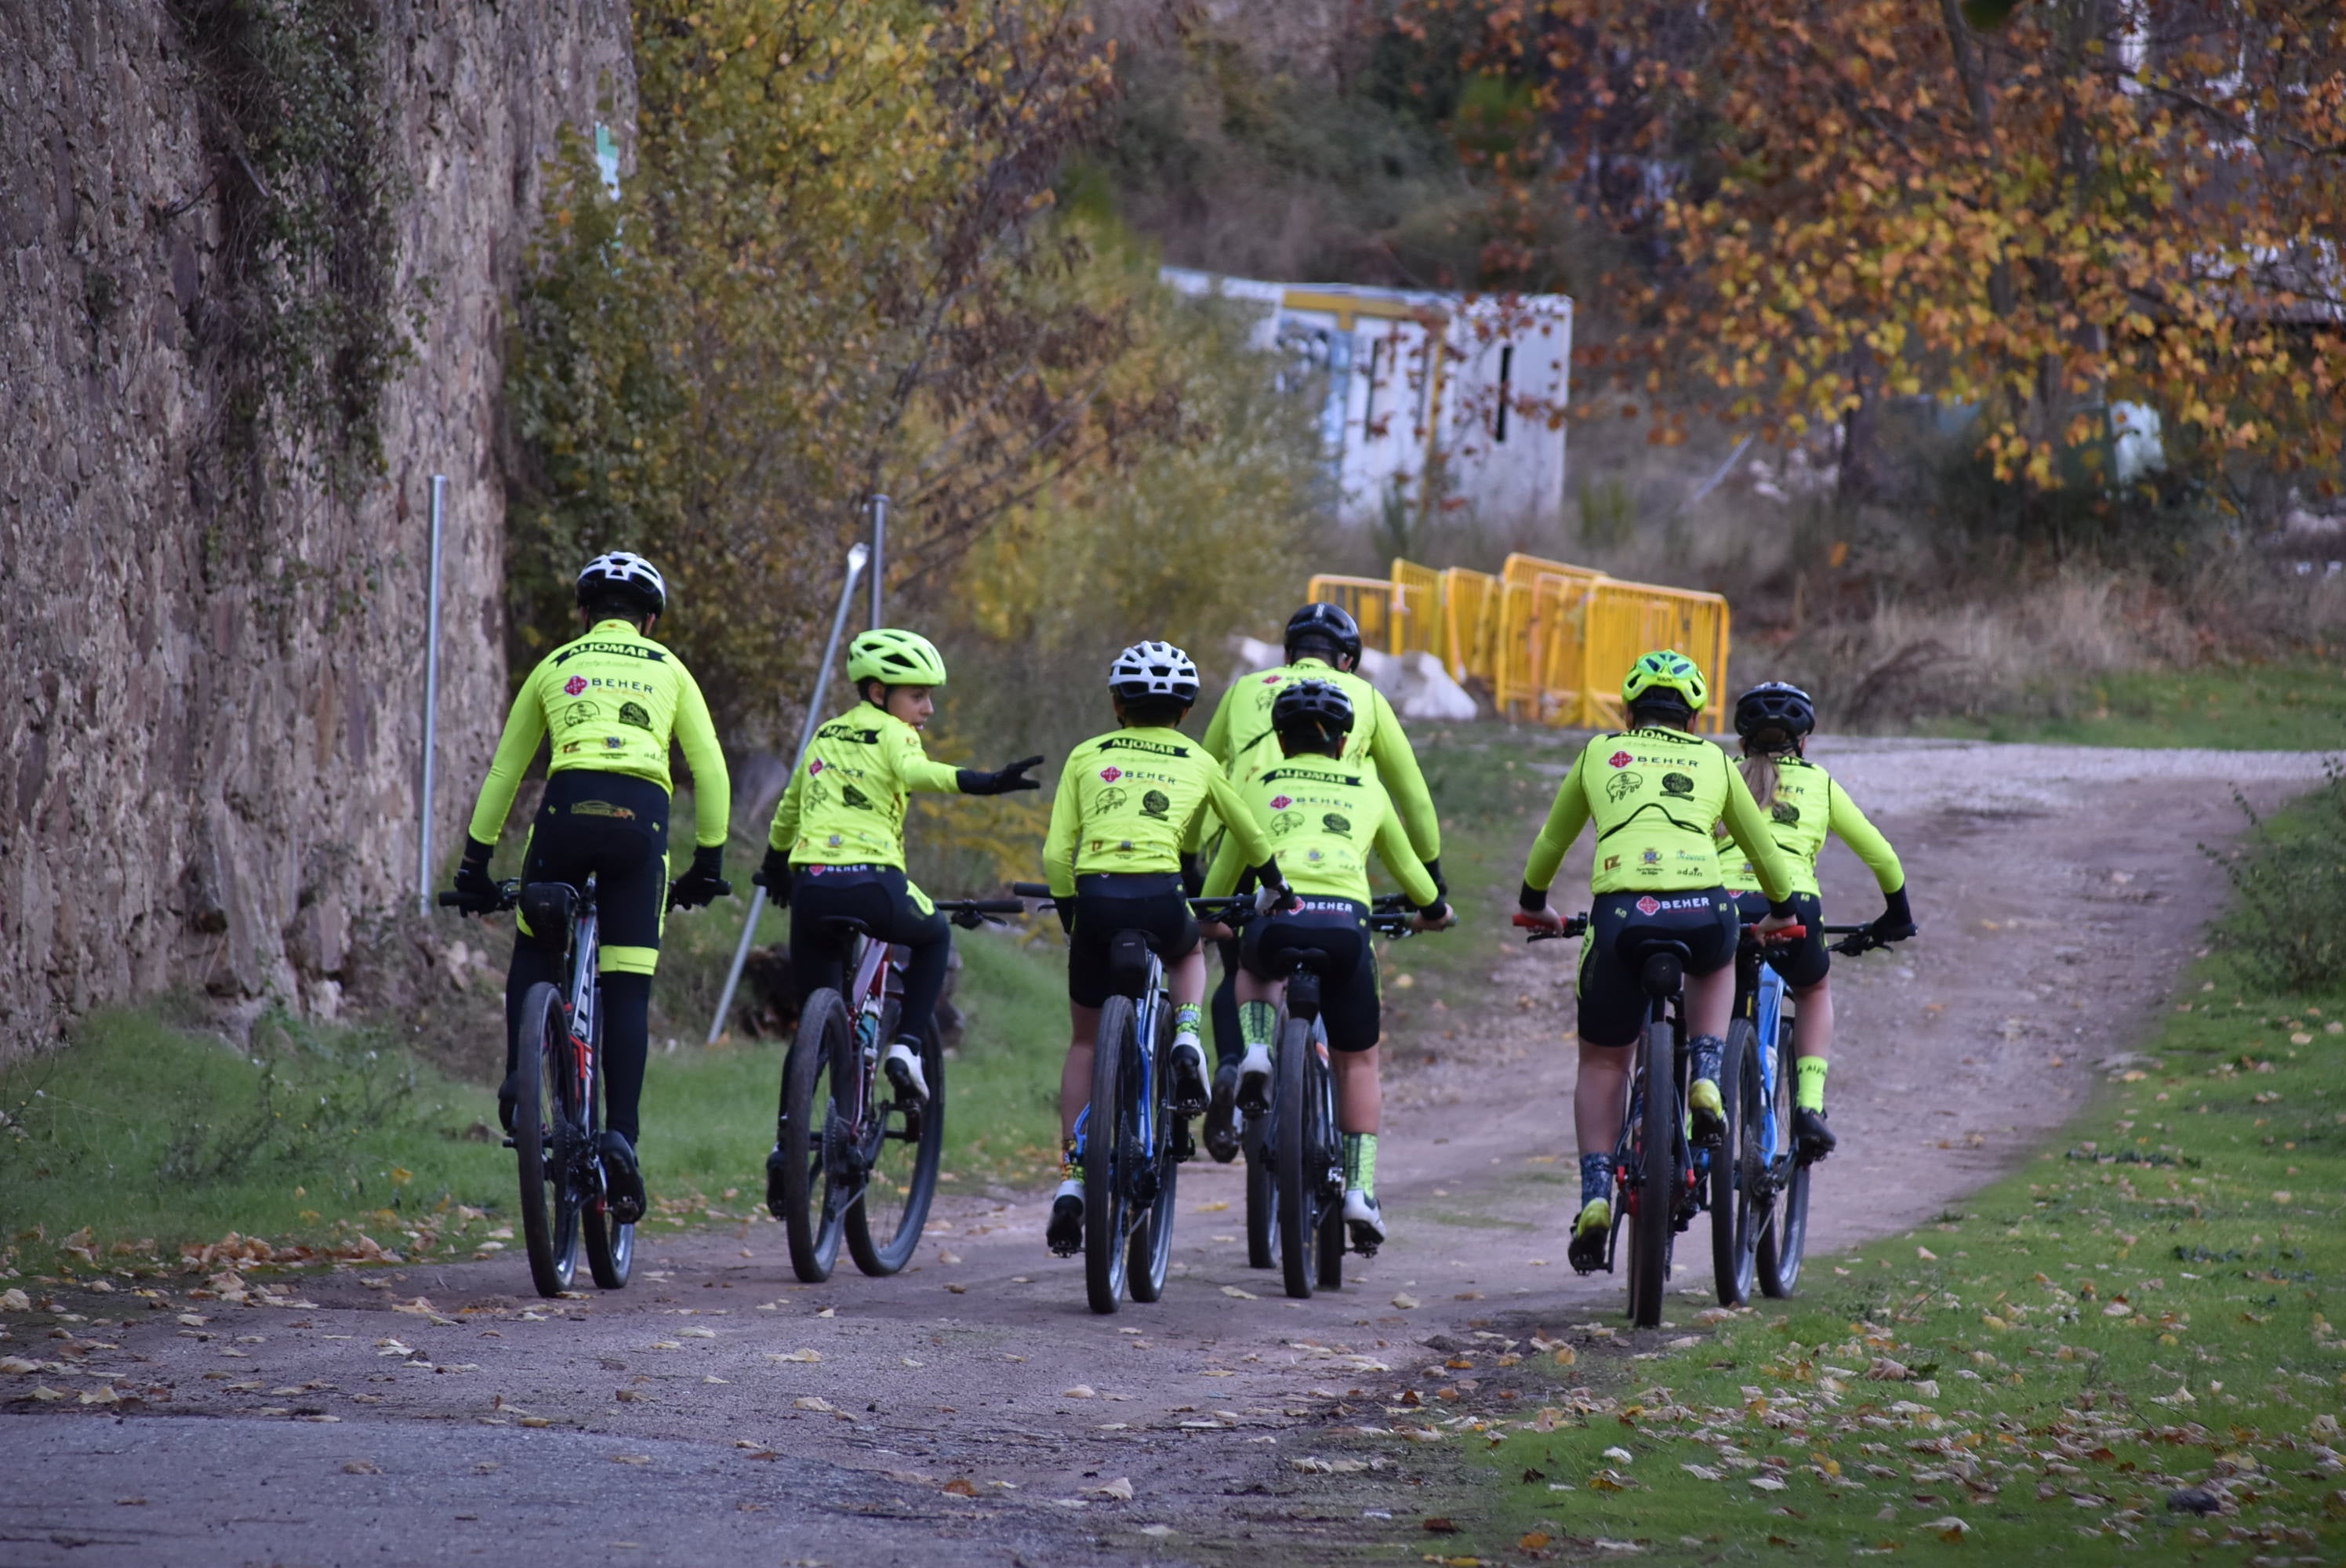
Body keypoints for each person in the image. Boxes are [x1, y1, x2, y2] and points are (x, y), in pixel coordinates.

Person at [451, 551, 732, 1224]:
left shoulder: (555, 665)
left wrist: (473, 870)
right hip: (642, 826)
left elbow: (504, 775)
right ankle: (621, 1140)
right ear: (652, 621)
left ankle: (523, 1083)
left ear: (584, 615)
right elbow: (713, 772)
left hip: (567, 813)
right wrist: (709, 866)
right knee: (627, 985)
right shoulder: (670, 669)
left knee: (533, 942)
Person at [1515, 649, 1799, 1272]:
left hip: (1621, 917)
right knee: (1717, 961)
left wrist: (1535, 904)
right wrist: (1779, 909)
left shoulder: (1598, 753)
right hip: (1703, 910)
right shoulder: (1715, 763)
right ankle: (1704, 1070)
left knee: (1603, 1060)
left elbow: (1552, 842)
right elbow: (1761, 847)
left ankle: (1595, 1193)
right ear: (1696, 717)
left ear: (1627, 710)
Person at [1040, 641, 1286, 1256]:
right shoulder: (1199, 760)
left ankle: (1072, 1178)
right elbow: (1248, 830)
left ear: (1118, 704)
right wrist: (1275, 883)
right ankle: (1183, 1031)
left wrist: (1073, 912)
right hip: (1161, 899)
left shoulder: (1086, 754)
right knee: (1189, 950)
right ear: (1185, 709)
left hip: (1096, 901)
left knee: (1084, 1043)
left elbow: (1053, 854)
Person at [1198, 678, 1452, 1254]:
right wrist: (1434, 911)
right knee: (1358, 1060)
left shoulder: (1258, 783)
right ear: (1343, 742)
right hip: (1345, 931)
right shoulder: (1366, 787)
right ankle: (1360, 1189)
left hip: (1278, 921)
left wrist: (1215, 919)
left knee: (1253, 968)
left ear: (1281, 741)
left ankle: (1257, 1048)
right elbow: (1412, 874)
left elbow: (1221, 886)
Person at [754, 629, 1041, 1118]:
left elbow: (788, 810)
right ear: (878, 693)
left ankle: (788, 1147)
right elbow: (916, 772)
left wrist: (776, 867)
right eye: (918, 696)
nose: (927, 709)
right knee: (933, 937)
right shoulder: (895, 733)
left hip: (813, 889)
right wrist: (986, 783)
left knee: (814, 1031)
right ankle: (906, 1048)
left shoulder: (825, 734)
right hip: (873, 883)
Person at [1715, 681, 1916, 1156]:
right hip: (1793, 906)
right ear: (1803, 742)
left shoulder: (1721, 776)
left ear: (1742, 741)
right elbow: (1883, 858)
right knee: (1813, 989)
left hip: (1722, 901)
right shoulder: (1819, 783)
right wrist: (1897, 917)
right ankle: (1808, 1108)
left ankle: (1691, 1113)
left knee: (1702, 1001)